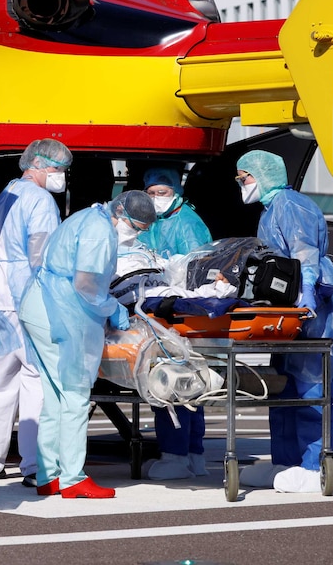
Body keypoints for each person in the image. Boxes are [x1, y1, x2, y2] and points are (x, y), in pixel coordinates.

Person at [234, 150, 333, 493]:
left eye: (244, 177)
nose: (241, 184)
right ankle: (285, 462)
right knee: (284, 386)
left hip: (313, 310)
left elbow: (305, 255)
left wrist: (304, 293)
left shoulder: (291, 206)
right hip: (288, 313)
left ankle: (313, 463)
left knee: (311, 389)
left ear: (263, 174)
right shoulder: (272, 210)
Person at [19, 191, 154, 498]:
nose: (135, 234)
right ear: (121, 213)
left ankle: (48, 475)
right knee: (76, 394)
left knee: (55, 396)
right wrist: (113, 309)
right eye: (136, 227)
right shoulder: (99, 231)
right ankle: (72, 479)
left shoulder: (87, 216)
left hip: (40, 307)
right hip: (60, 312)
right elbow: (86, 285)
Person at [0, 139, 72, 488]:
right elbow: (43, 258)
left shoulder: (5, 196)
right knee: (36, 377)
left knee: (3, 378)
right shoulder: (40, 201)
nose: (62, 176)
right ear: (43, 165)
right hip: (27, 295)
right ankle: (35, 465)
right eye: (60, 170)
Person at [137, 168, 214, 481]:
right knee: (190, 383)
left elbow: (199, 267)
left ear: (176, 190)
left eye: (162, 192)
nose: (156, 199)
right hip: (171, 309)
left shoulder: (188, 223)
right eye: (151, 193)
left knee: (170, 381)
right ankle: (193, 454)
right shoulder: (156, 223)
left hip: (180, 310)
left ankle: (176, 455)